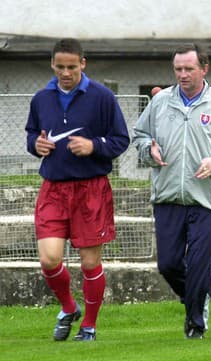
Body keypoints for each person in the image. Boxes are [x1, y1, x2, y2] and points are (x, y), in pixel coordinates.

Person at [133, 43, 211, 339]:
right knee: (168, 264)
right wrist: (150, 149)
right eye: (178, 69)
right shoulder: (160, 103)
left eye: (189, 69)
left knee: (199, 267)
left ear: (204, 69)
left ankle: (196, 324)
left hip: (206, 201)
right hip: (168, 197)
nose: (182, 74)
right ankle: (197, 299)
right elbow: (140, 135)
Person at [25, 38, 130, 341]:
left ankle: (89, 325)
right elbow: (32, 135)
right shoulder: (41, 98)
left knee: (89, 262)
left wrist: (93, 145)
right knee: (49, 259)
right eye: (60, 67)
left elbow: (121, 140)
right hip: (54, 189)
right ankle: (69, 307)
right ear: (52, 65)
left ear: (83, 64)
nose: (66, 72)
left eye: (72, 66)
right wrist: (37, 145)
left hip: (91, 190)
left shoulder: (103, 97)